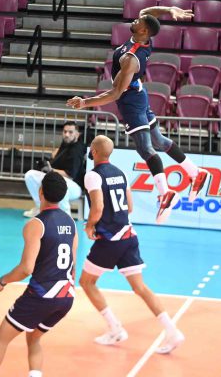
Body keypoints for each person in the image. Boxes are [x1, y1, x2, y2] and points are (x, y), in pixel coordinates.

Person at [67, 5, 208, 223]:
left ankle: (165, 194)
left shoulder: (131, 60)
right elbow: (149, 13)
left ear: (143, 32)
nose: (135, 20)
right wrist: (169, 9)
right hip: (138, 94)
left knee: (146, 148)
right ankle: (195, 172)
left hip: (131, 101)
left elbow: (115, 93)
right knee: (159, 140)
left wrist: (85, 102)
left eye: (139, 22)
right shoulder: (142, 38)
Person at [79, 135, 185, 354]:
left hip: (110, 240)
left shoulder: (92, 175)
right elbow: (129, 207)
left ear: (95, 152)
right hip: (129, 236)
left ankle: (115, 328)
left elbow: (97, 208)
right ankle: (172, 331)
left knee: (87, 282)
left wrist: (90, 227)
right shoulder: (121, 172)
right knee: (140, 288)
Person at [0, 171, 77, 377]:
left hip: (41, 296)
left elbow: (26, 268)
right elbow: (73, 265)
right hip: (67, 297)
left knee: (1, 338)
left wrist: (1, 281)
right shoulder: (71, 223)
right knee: (34, 338)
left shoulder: (36, 224)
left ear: (40, 192)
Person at [23, 121, 86, 218]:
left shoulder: (77, 149)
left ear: (77, 134)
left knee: (59, 181)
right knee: (30, 175)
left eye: (70, 132)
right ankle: (39, 208)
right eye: (65, 132)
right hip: (57, 179)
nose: (67, 135)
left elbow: (70, 174)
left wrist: (51, 170)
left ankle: (66, 215)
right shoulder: (65, 144)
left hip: (74, 187)